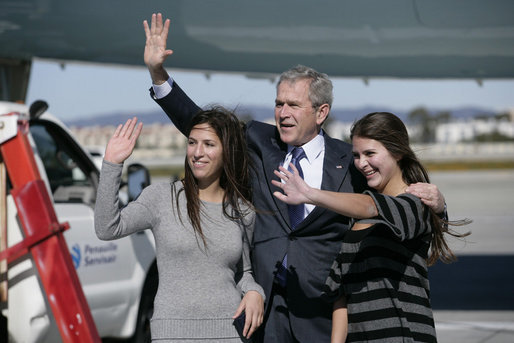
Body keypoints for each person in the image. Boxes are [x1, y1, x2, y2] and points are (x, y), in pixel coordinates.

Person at [143, 13, 447, 342]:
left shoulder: (351, 161)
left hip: (323, 306)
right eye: (278, 104)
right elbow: (200, 124)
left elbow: (386, 202)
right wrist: (159, 75)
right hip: (265, 306)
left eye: (293, 105)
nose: (283, 113)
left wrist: (440, 207)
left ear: (321, 112)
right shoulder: (259, 143)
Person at [272, 112, 470, 342]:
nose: (361, 163)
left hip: (404, 335)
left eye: (370, 153)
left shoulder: (416, 204)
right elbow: (340, 294)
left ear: (397, 152)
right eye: (356, 155)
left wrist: (310, 194)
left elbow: (372, 207)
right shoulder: (354, 221)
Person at [94, 108, 265, 342]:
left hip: (229, 332)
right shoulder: (160, 198)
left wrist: (255, 291)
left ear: (227, 151)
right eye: (192, 142)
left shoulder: (243, 210)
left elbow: (242, 273)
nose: (197, 152)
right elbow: (107, 227)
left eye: (209, 144)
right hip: (171, 332)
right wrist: (112, 164)